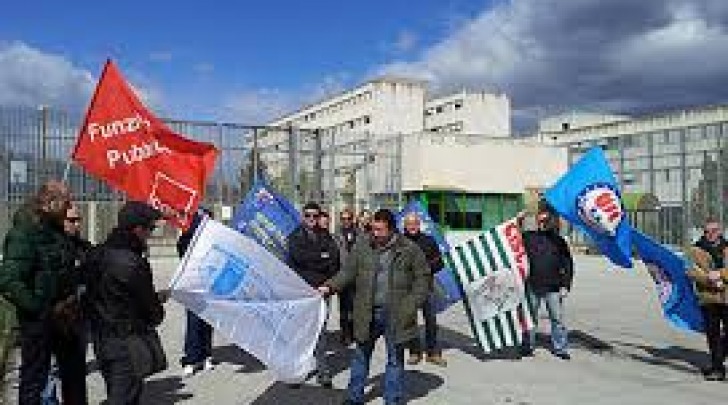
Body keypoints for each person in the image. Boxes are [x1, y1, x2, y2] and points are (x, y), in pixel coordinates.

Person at [319, 209, 430, 405]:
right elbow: (347, 272)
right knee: (361, 355)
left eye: (380, 230)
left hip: (398, 313)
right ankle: (354, 398)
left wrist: (412, 303)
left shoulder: (409, 249)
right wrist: (329, 286)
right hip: (367, 311)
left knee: (395, 359)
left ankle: (392, 399)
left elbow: (423, 278)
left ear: (392, 230)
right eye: (373, 229)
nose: (375, 234)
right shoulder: (363, 246)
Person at [0, 181, 87, 405]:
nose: (70, 206)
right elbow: (10, 280)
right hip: (39, 320)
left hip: (66, 316)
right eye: (65, 201)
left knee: (75, 377)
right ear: (50, 203)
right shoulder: (24, 234)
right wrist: (39, 308)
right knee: (34, 380)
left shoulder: (57, 231)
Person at [88, 201, 166, 404]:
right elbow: (152, 312)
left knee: (116, 390)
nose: (151, 234)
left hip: (100, 338)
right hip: (127, 341)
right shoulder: (132, 262)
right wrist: (157, 305)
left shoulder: (97, 253)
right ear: (138, 229)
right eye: (150, 228)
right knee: (124, 397)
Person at [287, 202, 340, 388]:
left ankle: (323, 372)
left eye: (315, 216)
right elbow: (297, 261)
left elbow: (333, 261)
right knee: (300, 332)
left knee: (320, 331)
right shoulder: (294, 237)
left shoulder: (326, 236)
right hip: (301, 291)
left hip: (322, 290)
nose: (312, 219)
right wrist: (319, 258)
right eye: (308, 215)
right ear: (303, 216)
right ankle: (296, 371)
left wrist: (320, 267)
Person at [520, 209, 574, 360]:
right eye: (540, 221)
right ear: (537, 222)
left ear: (551, 222)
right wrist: (519, 219)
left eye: (546, 221)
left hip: (554, 287)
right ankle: (527, 346)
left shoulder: (559, 241)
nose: (543, 224)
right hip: (532, 284)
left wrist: (566, 285)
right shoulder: (529, 237)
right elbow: (512, 237)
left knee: (557, 319)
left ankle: (560, 348)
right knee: (530, 317)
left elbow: (568, 264)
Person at [402, 213, 446, 367]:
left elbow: (440, 263)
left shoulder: (429, 241)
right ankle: (414, 352)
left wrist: (426, 268)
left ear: (419, 225)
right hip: (407, 289)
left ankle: (432, 353)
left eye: (414, 224)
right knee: (410, 321)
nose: (412, 227)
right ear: (405, 226)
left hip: (426, 286)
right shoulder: (400, 242)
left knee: (431, 321)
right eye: (409, 224)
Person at [687, 219, 728, 381]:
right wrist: (708, 279)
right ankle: (717, 368)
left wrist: (721, 275)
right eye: (707, 231)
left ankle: (719, 358)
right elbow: (690, 271)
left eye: (714, 231)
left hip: (726, 297)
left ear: (720, 231)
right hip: (708, 298)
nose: (710, 234)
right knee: (713, 334)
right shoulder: (695, 250)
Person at [178, 208, 216, 377]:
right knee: (193, 322)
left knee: (208, 321)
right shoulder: (187, 239)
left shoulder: (214, 241)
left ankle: (206, 354)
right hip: (193, 286)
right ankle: (191, 358)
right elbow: (181, 252)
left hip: (209, 286)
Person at [333, 208, 359, 346]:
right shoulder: (336, 236)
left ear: (353, 219)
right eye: (343, 219)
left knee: (356, 306)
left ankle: (355, 331)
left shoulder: (359, 234)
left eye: (348, 218)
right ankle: (345, 333)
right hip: (342, 275)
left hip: (357, 276)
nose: (346, 221)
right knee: (343, 307)